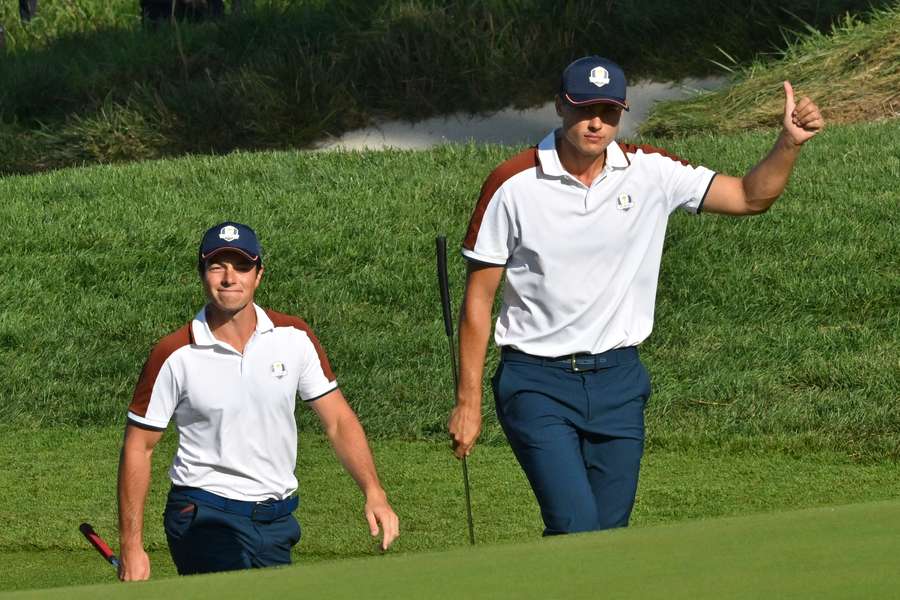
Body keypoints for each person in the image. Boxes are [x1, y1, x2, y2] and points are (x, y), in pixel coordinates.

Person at [448, 55, 824, 536]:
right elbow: (477, 303)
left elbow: (750, 197)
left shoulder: (651, 172)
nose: (597, 123)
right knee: (576, 526)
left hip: (618, 381)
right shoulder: (513, 183)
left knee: (609, 535)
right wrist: (468, 401)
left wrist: (788, 144)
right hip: (535, 382)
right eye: (585, 108)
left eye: (609, 111)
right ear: (561, 107)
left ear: (622, 113)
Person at [118, 221, 399, 580]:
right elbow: (138, 447)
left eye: (242, 266)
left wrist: (374, 491)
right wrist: (132, 545)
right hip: (204, 513)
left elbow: (338, 421)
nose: (229, 278)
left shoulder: (294, 336)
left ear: (259, 274)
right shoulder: (174, 353)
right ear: (201, 274)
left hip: (276, 521)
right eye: (217, 266)